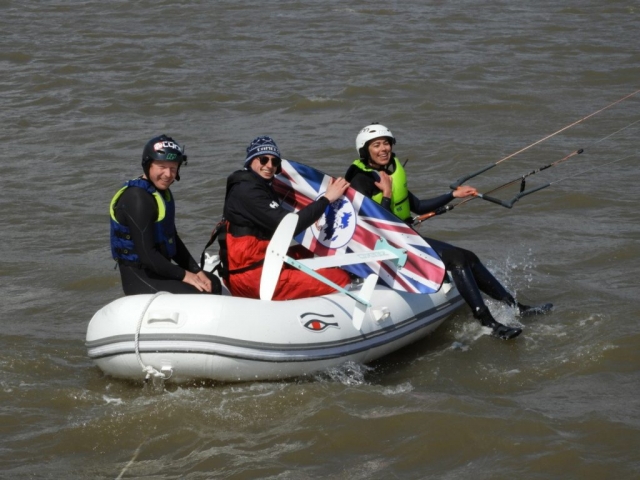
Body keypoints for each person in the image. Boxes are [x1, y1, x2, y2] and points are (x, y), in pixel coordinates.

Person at [345, 123, 552, 340]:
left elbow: (418, 205)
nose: (383, 149)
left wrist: (453, 195)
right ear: (365, 150)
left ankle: (516, 306)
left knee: (469, 257)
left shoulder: (389, 172)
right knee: (457, 259)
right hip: (382, 247)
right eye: (376, 145)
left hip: (403, 239)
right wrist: (386, 195)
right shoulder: (361, 180)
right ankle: (488, 322)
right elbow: (372, 225)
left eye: (386, 143)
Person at [219, 135, 352, 300]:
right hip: (254, 280)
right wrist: (326, 199)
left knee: (309, 251)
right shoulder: (249, 192)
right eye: (263, 159)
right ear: (251, 161)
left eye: (275, 162)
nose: (269, 166)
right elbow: (290, 226)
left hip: (255, 265)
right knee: (340, 278)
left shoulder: (254, 185)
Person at [110, 134, 221, 296]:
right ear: (148, 165)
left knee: (213, 283)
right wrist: (185, 275)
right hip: (141, 279)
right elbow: (148, 256)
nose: (168, 174)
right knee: (201, 293)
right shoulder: (137, 198)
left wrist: (196, 271)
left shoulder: (161, 194)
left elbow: (173, 240)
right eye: (162, 167)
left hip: (161, 272)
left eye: (173, 168)